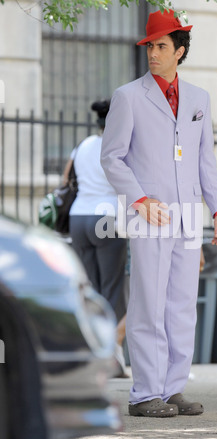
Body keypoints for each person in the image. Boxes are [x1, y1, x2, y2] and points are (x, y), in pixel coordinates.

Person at [101, 9, 217, 418]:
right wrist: (139, 200)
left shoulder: (199, 99)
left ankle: (173, 388)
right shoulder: (127, 97)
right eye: (150, 46)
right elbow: (112, 158)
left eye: (160, 46)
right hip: (148, 213)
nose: (152, 54)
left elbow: (205, 159)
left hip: (190, 214)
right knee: (148, 304)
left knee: (180, 303)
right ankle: (144, 394)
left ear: (180, 51)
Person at [64, 100, 128, 377]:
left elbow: (66, 179)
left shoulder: (84, 145)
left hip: (78, 217)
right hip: (107, 216)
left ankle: (87, 353)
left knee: (88, 290)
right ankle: (111, 359)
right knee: (112, 290)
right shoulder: (119, 146)